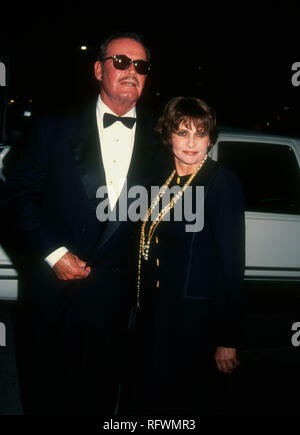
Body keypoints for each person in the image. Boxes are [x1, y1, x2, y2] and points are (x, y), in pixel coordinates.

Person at [3, 32, 156, 416]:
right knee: (47, 395)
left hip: (117, 303)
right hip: (54, 293)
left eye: (140, 66)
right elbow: (14, 196)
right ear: (98, 68)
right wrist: (51, 253)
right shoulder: (53, 127)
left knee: (100, 399)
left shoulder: (162, 140)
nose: (131, 71)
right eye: (121, 61)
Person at [120, 96, 245, 415]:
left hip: (194, 320)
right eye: (183, 132)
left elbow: (231, 265)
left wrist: (227, 337)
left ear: (210, 139)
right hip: (153, 314)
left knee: (183, 400)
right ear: (168, 135)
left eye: (200, 133)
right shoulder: (161, 177)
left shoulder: (221, 181)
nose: (191, 142)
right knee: (145, 396)